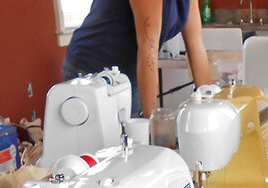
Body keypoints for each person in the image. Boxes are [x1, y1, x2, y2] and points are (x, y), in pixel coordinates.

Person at [62, 0, 213, 117]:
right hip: (93, 68)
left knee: (132, 144)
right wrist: (152, 124)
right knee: (110, 147)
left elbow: (196, 45)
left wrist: (211, 104)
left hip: (129, 72)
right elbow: (148, 48)